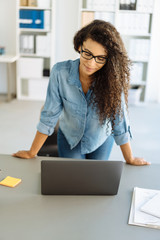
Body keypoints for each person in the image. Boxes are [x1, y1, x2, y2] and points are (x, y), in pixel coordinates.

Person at [13, 20, 150, 166]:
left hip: (100, 139)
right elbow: (49, 116)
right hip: (70, 138)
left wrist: (130, 158)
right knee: (74, 180)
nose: (91, 63)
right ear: (80, 46)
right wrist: (31, 152)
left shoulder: (113, 80)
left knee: (95, 180)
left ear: (108, 59)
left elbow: (119, 121)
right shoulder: (60, 73)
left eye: (100, 58)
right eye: (87, 53)